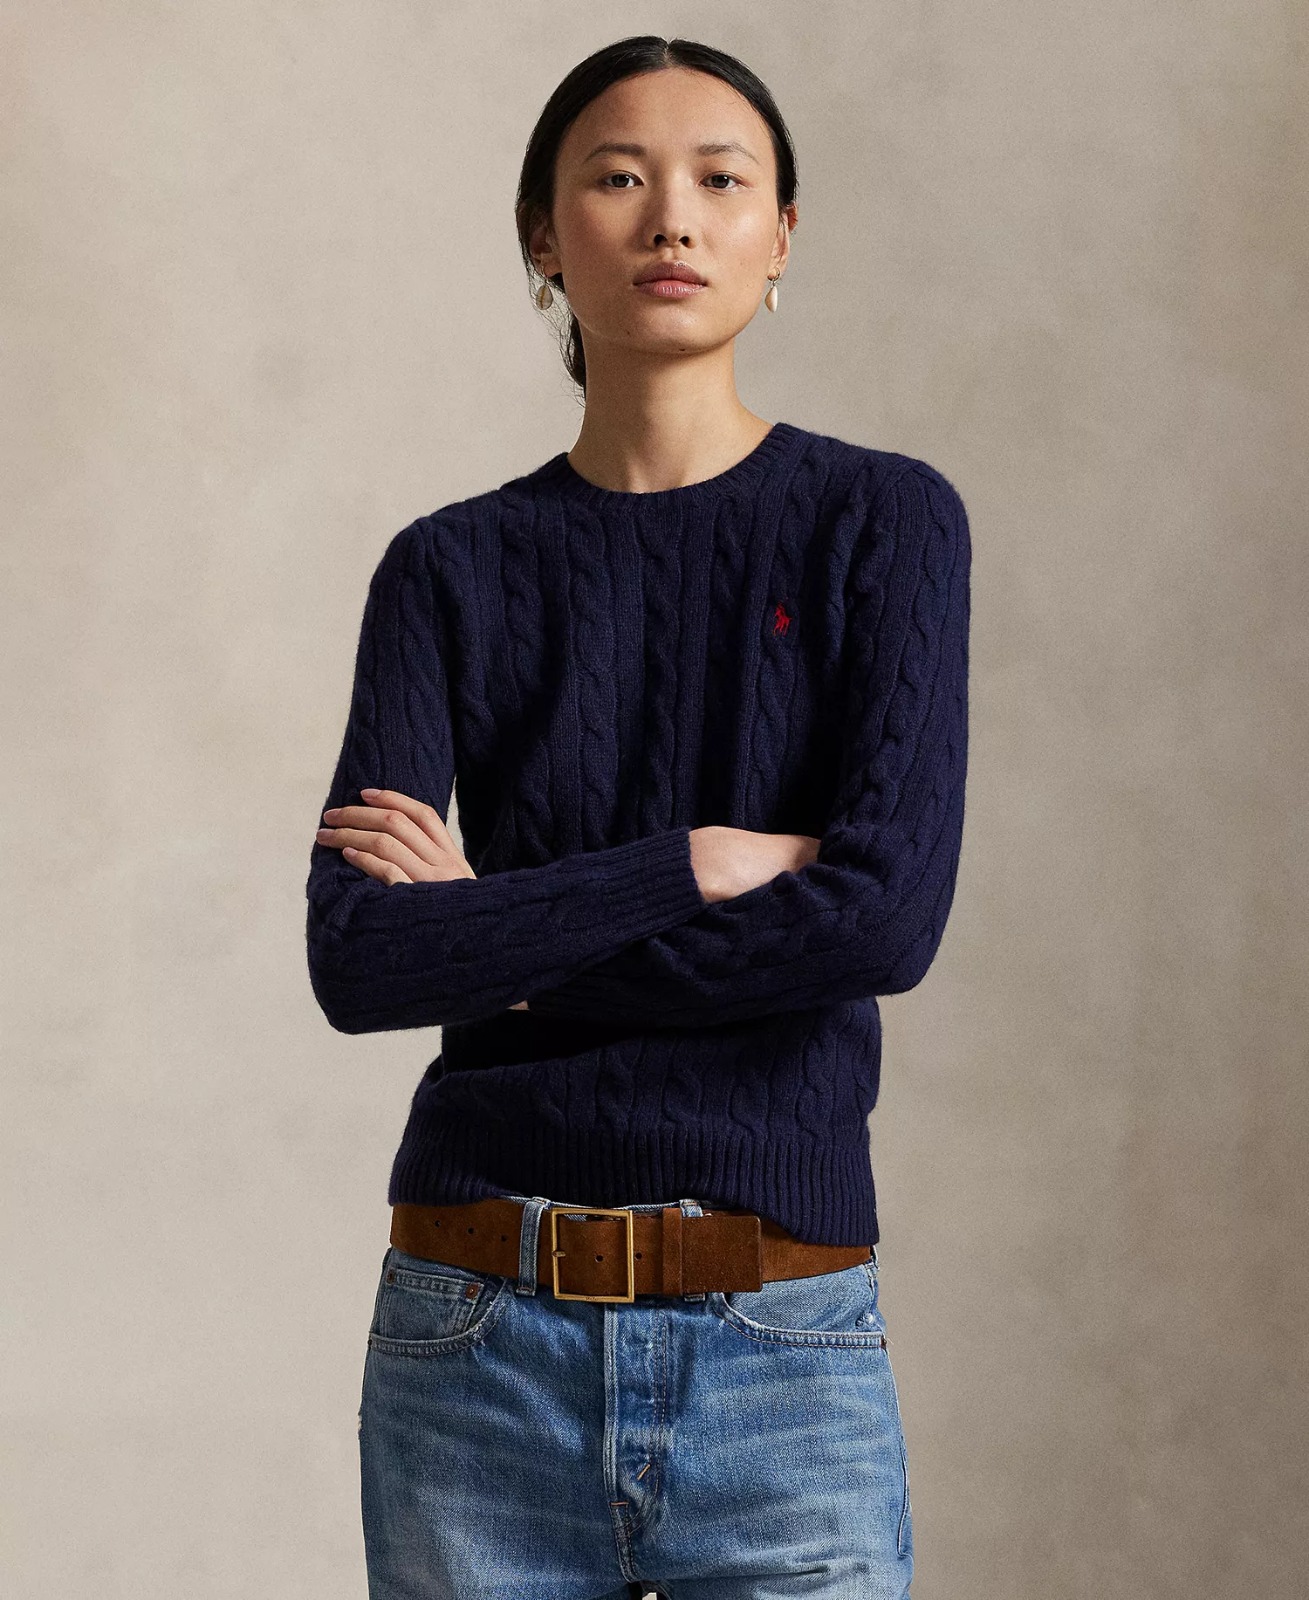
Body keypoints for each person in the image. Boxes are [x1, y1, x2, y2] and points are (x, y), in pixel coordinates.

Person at [305, 32, 970, 1600]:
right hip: (474, 1328)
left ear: (779, 237)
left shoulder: (882, 523)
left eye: (719, 180)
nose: (671, 216)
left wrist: (503, 946)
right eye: (617, 178)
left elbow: (881, 922)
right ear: (543, 237)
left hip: (780, 1336)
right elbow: (363, 960)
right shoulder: (446, 569)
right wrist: (692, 863)